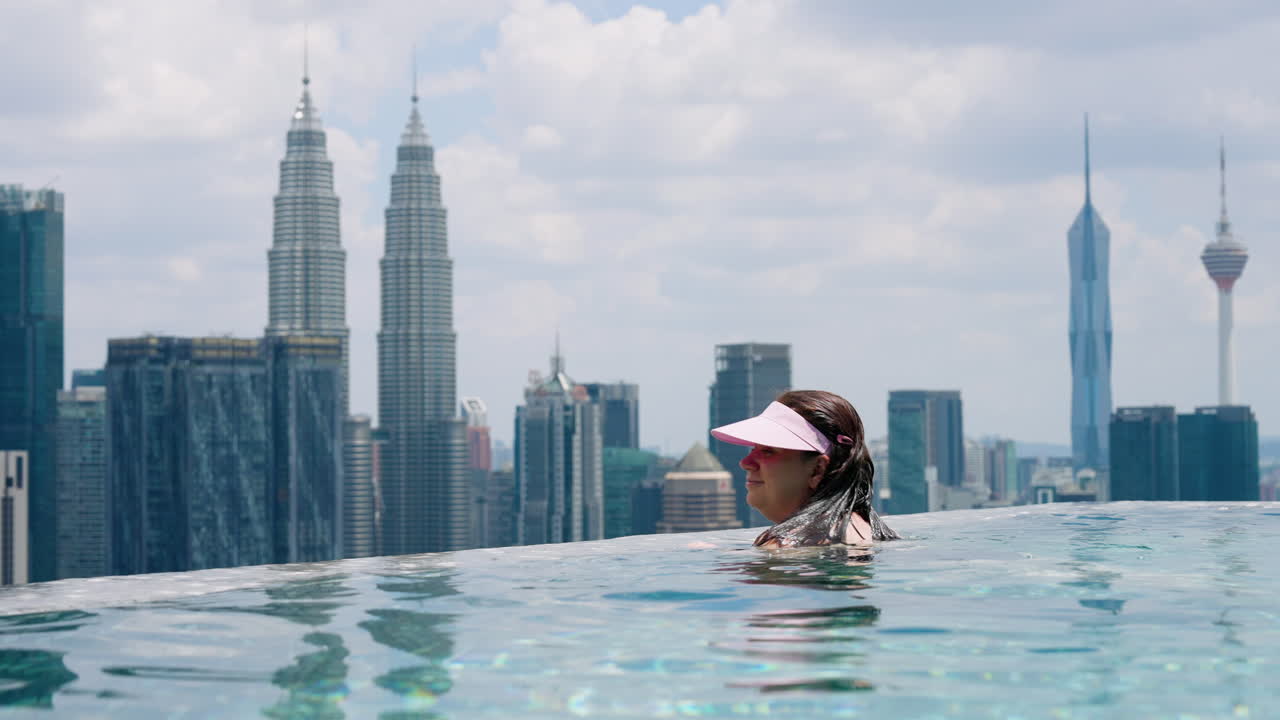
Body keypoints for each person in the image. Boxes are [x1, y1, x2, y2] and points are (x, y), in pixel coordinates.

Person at [710, 390, 898, 547]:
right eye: (753, 449)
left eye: (768, 451)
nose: (746, 462)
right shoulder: (866, 529)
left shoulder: (785, 544)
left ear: (817, 469)